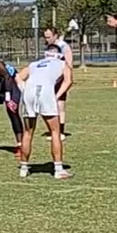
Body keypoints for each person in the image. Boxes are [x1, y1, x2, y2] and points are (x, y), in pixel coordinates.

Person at [16, 40, 73, 180]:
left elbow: (18, 77)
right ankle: (58, 169)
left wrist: (25, 90)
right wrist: (56, 96)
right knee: (55, 131)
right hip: (46, 92)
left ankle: (24, 168)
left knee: (28, 132)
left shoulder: (34, 64)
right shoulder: (62, 63)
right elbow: (68, 81)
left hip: (29, 92)